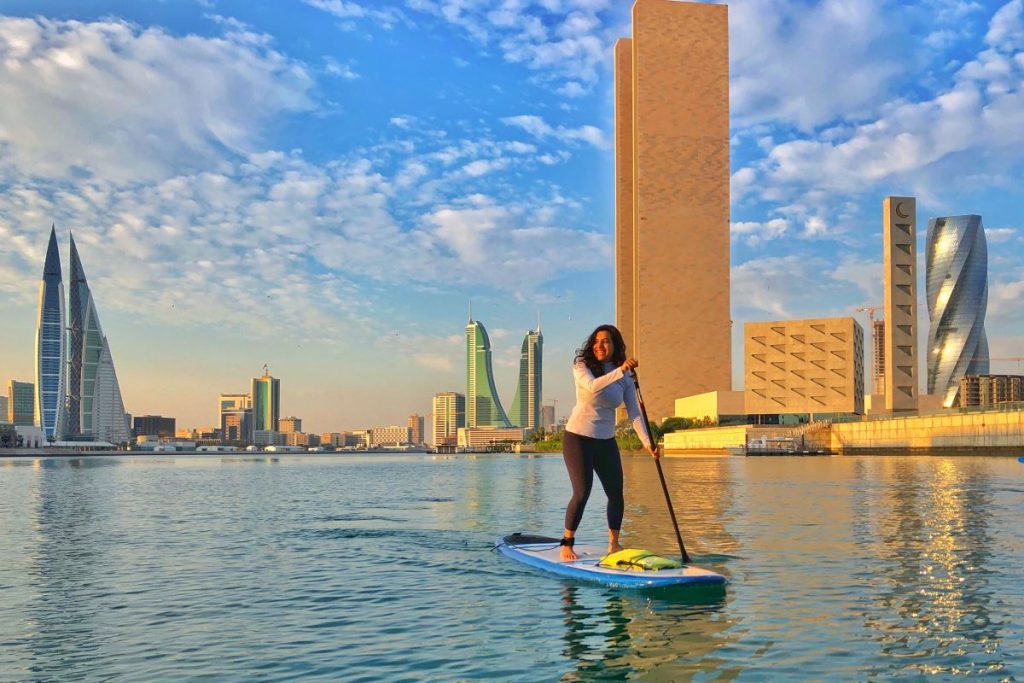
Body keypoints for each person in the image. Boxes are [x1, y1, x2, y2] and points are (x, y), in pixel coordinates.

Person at [559, 324, 658, 561]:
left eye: (606, 341)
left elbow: (634, 413)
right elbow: (593, 386)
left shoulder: (624, 378)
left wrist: (647, 443)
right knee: (582, 492)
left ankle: (614, 544)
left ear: (615, 346)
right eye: (597, 341)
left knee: (616, 493)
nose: (600, 345)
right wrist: (621, 370)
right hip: (578, 438)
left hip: (605, 441)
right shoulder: (581, 366)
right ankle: (567, 543)